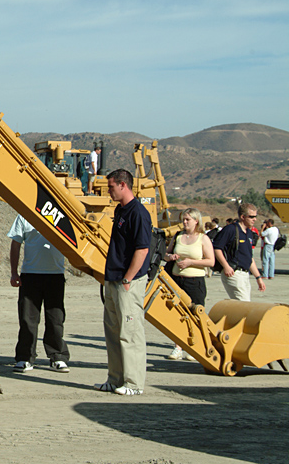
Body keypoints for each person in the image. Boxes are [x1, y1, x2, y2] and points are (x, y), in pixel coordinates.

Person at [94, 169, 152, 396]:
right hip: (113, 278)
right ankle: (115, 378)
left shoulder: (138, 213)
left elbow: (142, 249)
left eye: (111, 187)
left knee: (130, 332)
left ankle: (134, 383)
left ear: (123, 185)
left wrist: (128, 278)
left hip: (128, 281)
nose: (108, 191)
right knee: (113, 332)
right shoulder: (120, 210)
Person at [7, 215, 70, 373]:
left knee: (55, 318)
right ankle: (25, 357)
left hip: (55, 275)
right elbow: (16, 244)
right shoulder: (24, 215)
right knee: (27, 318)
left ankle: (58, 356)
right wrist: (14, 272)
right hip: (30, 275)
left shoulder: (61, 214)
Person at [164, 208, 214, 360]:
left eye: (187, 220)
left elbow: (210, 261)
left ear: (196, 221)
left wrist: (191, 262)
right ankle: (178, 347)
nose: (184, 222)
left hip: (195, 281)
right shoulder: (178, 236)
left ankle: (196, 346)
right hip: (177, 280)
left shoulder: (203, 238)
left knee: (196, 314)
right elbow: (165, 254)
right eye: (183, 219)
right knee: (177, 313)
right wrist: (170, 257)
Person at [212, 203, 265, 301]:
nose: (254, 219)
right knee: (244, 304)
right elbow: (217, 248)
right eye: (251, 217)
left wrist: (258, 277)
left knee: (243, 304)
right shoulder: (231, 229)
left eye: (255, 216)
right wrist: (226, 266)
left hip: (245, 274)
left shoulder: (249, 233)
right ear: (242, 217)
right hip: (234, 273)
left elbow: (249, 258)